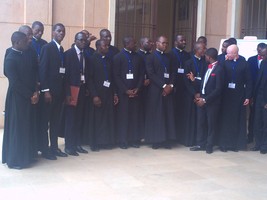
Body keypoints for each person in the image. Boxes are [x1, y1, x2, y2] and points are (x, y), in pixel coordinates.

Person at [2, 31, 39, 169]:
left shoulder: (26, 54)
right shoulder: (10, 58)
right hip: (18, 98)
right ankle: (16, 160)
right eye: (25, 41)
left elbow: (33, 74)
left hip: (29, 96)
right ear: (17, 43)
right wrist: (30, 95)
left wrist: (35, 92)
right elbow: (15, 83)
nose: (28, 42)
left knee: (27, 127)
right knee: (18, 129)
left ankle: (27, 155)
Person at [39, 23, 67, 159]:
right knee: (46, 122)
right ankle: (45, 150)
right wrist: (46, 90)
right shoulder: (47, 48)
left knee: (55, 122)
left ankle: (54, 147)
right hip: (49, 93)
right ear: (53, 33)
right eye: (58, 31)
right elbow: (42, 70)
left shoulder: (61, 49)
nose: (61, 33)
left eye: (63, 31)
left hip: (59, 93)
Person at [190, 48, 224, 154]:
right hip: (202, 97)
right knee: (201, 122)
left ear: (209, 57)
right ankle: (201, 143)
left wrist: (205, 99)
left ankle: (209, 145)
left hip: (212, 101)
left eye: (206, 56)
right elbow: (205, 82)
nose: (205, 57)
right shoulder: (207, 67)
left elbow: (219, 89)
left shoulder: (220, 69)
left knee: (211, 124)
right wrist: (195, 81)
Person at [219, 44, 252, 152]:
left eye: (229, 53)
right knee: (225, 120)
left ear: (235, 53)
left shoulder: (244, 63)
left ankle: (235, 144)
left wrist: (248, 96)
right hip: (226, 95)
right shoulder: (224, 62)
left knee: (237, 120)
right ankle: (224, 144)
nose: (227, 54)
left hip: (239, 95)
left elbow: (249, 81)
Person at [145, 36, 176, 149]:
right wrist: (163, 86)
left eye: (167, 43)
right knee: (157, 115)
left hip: (168, 90)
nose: (165, 45)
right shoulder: (150, 57)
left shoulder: (169, 57)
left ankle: (166, 140)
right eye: (163, 43)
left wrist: (170, 85)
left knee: (167, 114)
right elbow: (151, 74)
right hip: (156, 90)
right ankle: (156, 140)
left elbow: (173, 72)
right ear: (157, 43)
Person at [113, 36, 144, 149]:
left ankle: (134, 140)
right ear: (126, 44)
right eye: (133, 43)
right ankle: (123, 140)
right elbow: (116, 76)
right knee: (123, 118)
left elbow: (141, 74)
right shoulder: (118, 57)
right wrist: (125, 90)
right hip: (123, 93)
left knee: (134, 117)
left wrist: (138, 88)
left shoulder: (138, 57)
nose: (135, 45)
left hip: (136, 92)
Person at [88, 39, 119, 151]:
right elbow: (89, 79)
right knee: (97, 119)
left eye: (107, 46)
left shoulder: (109, 60)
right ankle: (95, 143)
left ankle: (106, 141)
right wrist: (94, 95)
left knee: (107, 118)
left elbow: (112, 77)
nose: (107, 47)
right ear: (98, 47)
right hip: (97, 93)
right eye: (104, 46)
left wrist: (115, 93)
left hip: (108, 92)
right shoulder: (92, 59)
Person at [63, 32, 89, 156]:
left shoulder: (85, 55)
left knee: (79, 118)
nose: (83, 42)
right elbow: (65, 77)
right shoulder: (68, 54)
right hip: (72, 91)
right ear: (75, 40)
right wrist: (67, 93)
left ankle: (77, 144)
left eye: (85, 40)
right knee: (71, 119)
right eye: (81, 40)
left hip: (82, 90)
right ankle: (69, 145)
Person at [180, 42, 207, 146]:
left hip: (201, 94)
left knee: (200, 119)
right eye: (203, 49)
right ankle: (189, 140)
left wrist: (200, 93)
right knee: (190, 118)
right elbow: (186, 81)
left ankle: (199, 140)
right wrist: (194, 93)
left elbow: (205, 79)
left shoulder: (205, 62)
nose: (205, 50)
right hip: (190, 94)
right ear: (197, 50)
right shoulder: (188, 63)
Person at [169, 34, 191, 142]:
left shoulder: (187, 55)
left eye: (185, 40)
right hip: (173, 87)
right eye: (181, 40)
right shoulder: (170, 54)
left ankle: (182, 135)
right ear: (175, 42)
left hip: (185, 88)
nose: (184, 42)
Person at [247, 43, 266, 144]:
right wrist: (251, 95)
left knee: (264, 120)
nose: (261, 55)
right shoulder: (255, 61)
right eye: (259, 52)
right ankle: (254, 140)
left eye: (263, 53)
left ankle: (263, 143)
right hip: (256, 94)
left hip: (265, 96)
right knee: (255, 119)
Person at [137, 37, 153, 138]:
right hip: (139, 87)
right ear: (142, 44)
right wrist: (142, 81)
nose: (151, 44)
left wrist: (150, 80)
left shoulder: (152, 56)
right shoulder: (137, 55)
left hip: (150, 86)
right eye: (148, 42)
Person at [252, 44, 267, 154]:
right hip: (259, 97)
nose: (261, 57)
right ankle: (257, 144)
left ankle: (264, 145)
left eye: (263, 55)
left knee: (265, 123)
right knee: (257, 121)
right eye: (260, 55)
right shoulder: (262, 64)